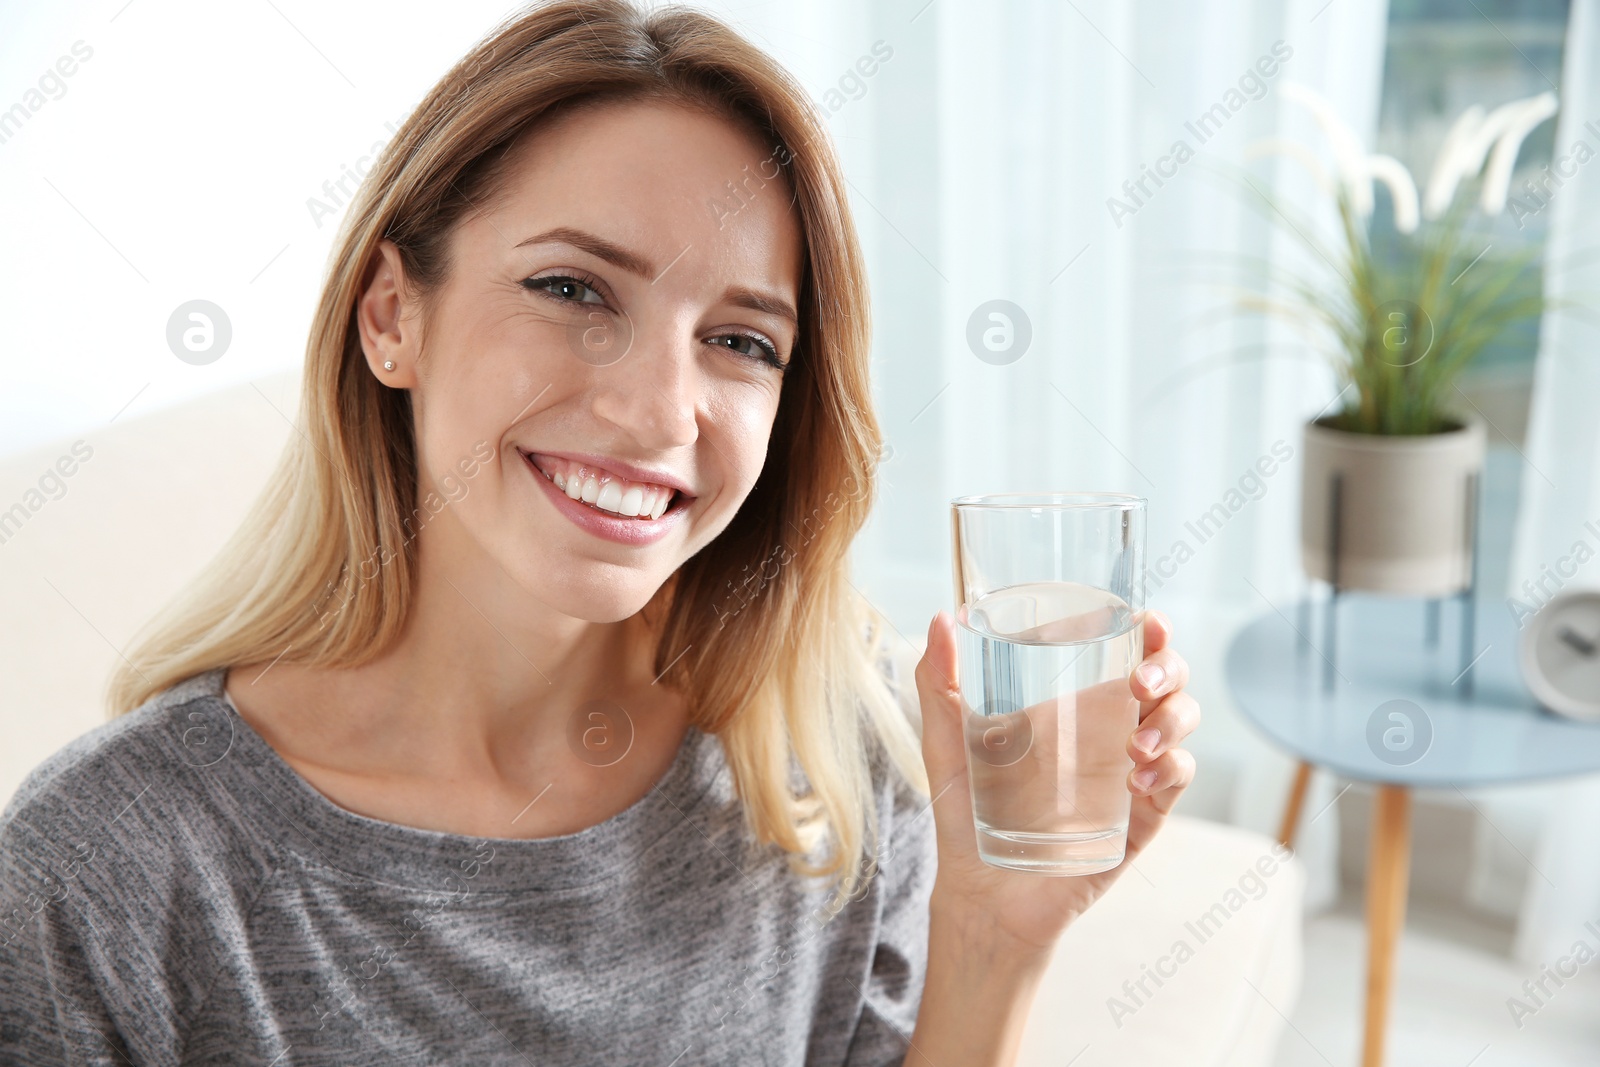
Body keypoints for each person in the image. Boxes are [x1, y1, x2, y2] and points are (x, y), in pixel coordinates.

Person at [0, 1, 1198, 1063]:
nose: (654, 410)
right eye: (573, 288)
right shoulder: (99, 874)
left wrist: (994, 934)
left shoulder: (848, 765)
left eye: (741, 340)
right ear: (388, 317)